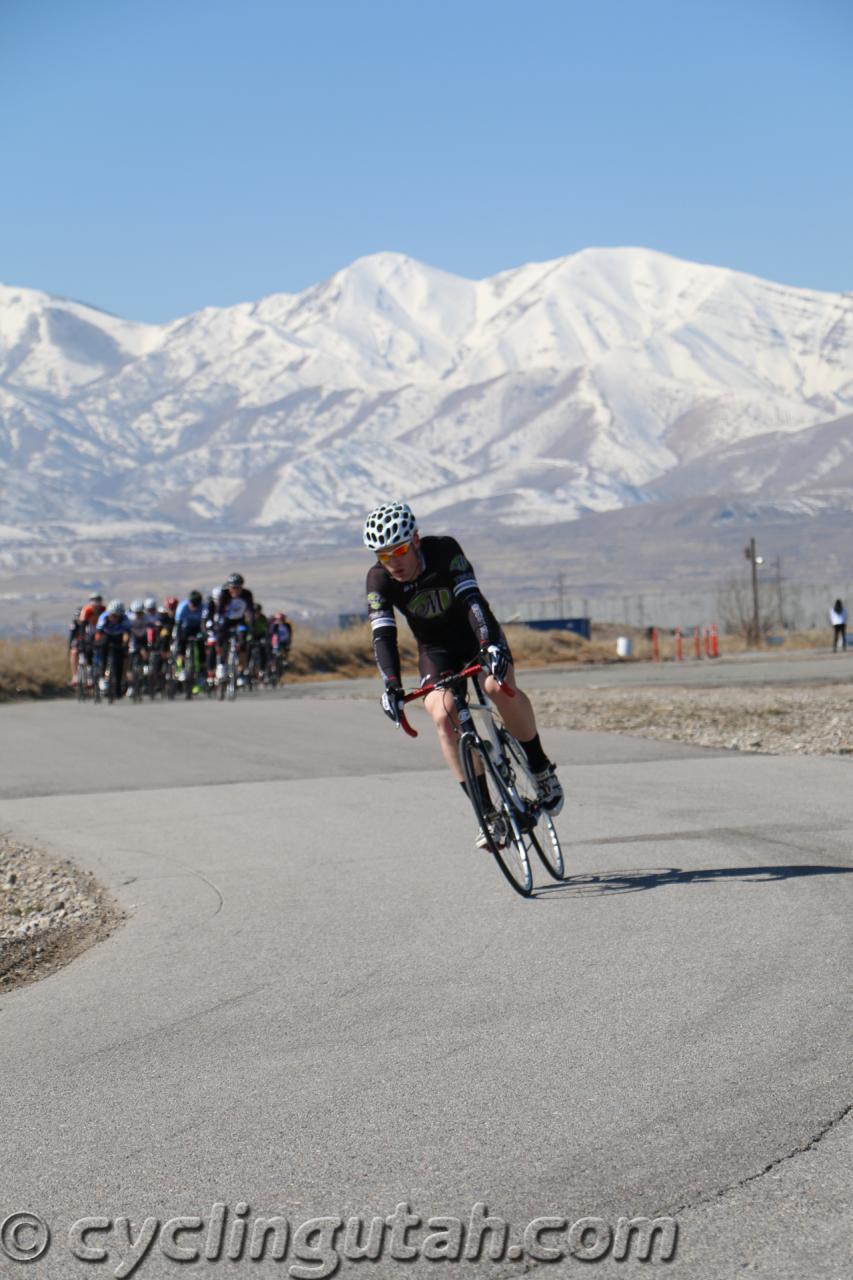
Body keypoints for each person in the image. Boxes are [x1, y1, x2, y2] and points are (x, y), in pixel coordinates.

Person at [362, 501, 564, 848]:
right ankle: (487, 815)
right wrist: (391, 687)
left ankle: (540, 765)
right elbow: (383, 634)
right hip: (436, 651)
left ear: (416, 540)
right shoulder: (378, 579)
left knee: (496, 687)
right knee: (442, 715)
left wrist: (490, 645)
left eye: (398, 551)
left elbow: (472, 601)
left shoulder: (444, 551)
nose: (392, 562)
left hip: (476, 635)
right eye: (383, 555)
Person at [216, 572, 255, 684]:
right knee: (222, 639)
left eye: (237, 588)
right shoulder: (224, 594)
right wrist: (217, 626)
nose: (235, 590)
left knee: (243, 643)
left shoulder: (247, 595)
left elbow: (250, 612)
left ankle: (241, 671)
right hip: (226, 621)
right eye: (232, 587)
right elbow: (219, 612)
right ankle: (221, 665)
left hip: (239, 621)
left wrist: (251, 628)